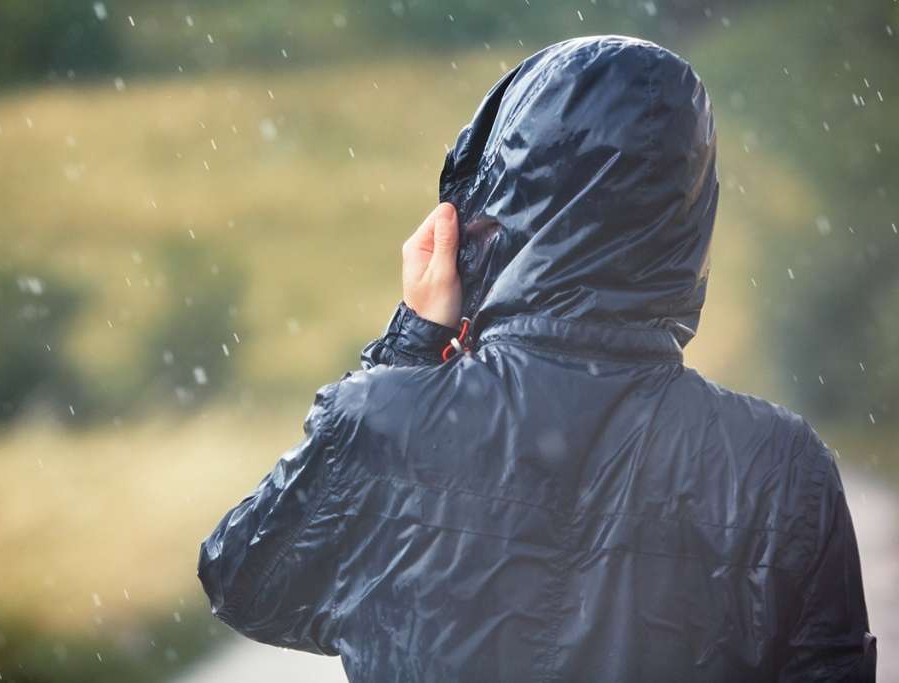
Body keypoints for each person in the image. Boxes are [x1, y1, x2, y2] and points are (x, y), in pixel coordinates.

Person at [197, 35, 876, 681]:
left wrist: (412, 339)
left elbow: (247, 584)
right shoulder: (783, 465)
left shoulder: (382, 423)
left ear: (486, 214)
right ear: (690, 218)